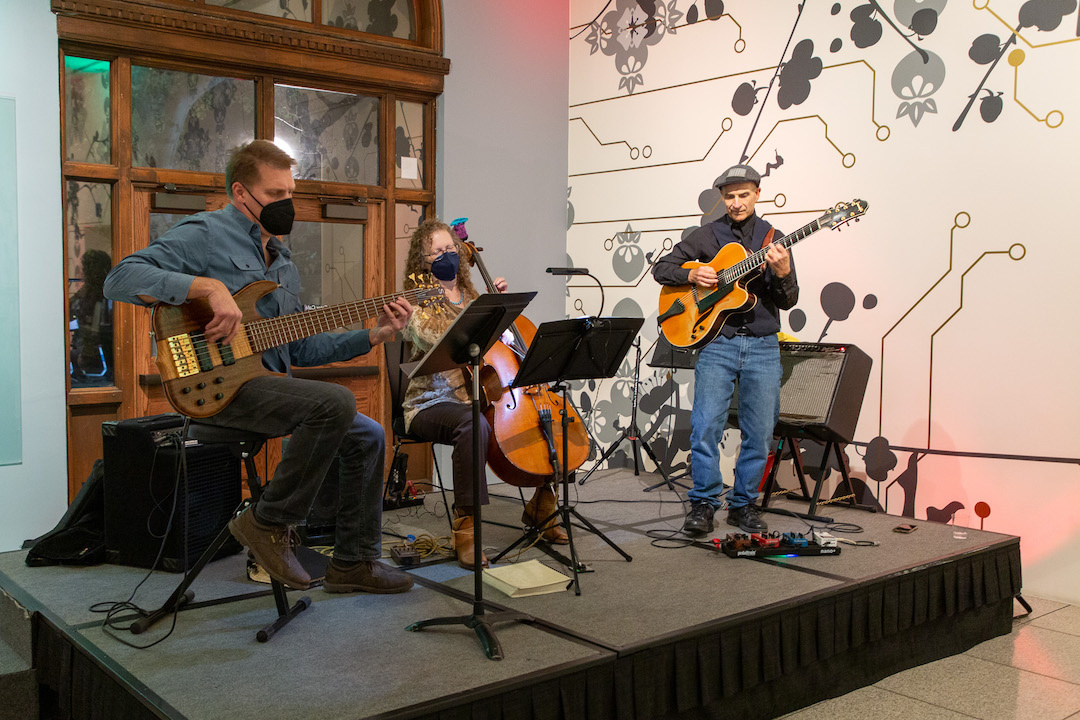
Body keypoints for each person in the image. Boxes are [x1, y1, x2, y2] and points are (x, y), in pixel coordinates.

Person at [103, 139, 414, 594]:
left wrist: (374, 335)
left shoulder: (283, 264)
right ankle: (268, 523)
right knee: (336, 401)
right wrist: (207, 287)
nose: (286, 204)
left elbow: (299, 349)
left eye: (290, 194)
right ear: (240, 193)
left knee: (368, 434)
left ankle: (354, 563)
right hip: (215, 388)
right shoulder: (206, 233)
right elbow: (121, 278)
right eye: (274, 195)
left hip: (266, 383)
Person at [401, 219, 567, 569]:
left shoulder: (475, 297)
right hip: (432, 403)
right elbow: (436, 339)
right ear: (423, 261)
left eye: (450, 249)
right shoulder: (418, 303)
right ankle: (466, 529)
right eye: (436, 251)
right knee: (473, 425)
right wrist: (481, 316)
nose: (446, 255)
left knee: (547, 415)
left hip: (477, 396)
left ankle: (542, 504)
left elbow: (500, 353)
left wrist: (499, 310)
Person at [651, 164, 799, 536]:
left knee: (760, 430)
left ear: (757, 194)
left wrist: (782, 273)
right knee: (705, 426)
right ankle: (703, 503)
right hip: (717, 343)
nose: (736, 203)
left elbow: (789, 299)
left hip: (763, 344)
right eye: (730, 196)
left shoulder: (773, 238)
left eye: (743, 195)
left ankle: (743, 505)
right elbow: (661, 268)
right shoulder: (706, 235)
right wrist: (690, 274)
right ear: (722, 198)